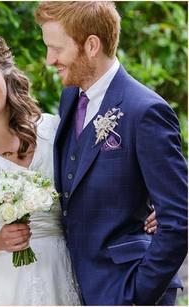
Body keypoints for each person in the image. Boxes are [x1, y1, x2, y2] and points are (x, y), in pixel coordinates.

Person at [0, 33, 157, 305]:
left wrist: (149, 204)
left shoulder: (53, 129)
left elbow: (99, 175)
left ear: (5, 72)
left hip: (62, 276)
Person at [34, 1, 188, 305]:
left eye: (56, 49)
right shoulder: (70, 98)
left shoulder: (146, 111)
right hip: (74, 287)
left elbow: (178, 219)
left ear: (92, 45)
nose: (50, 60)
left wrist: (138, 294)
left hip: (125, 288)